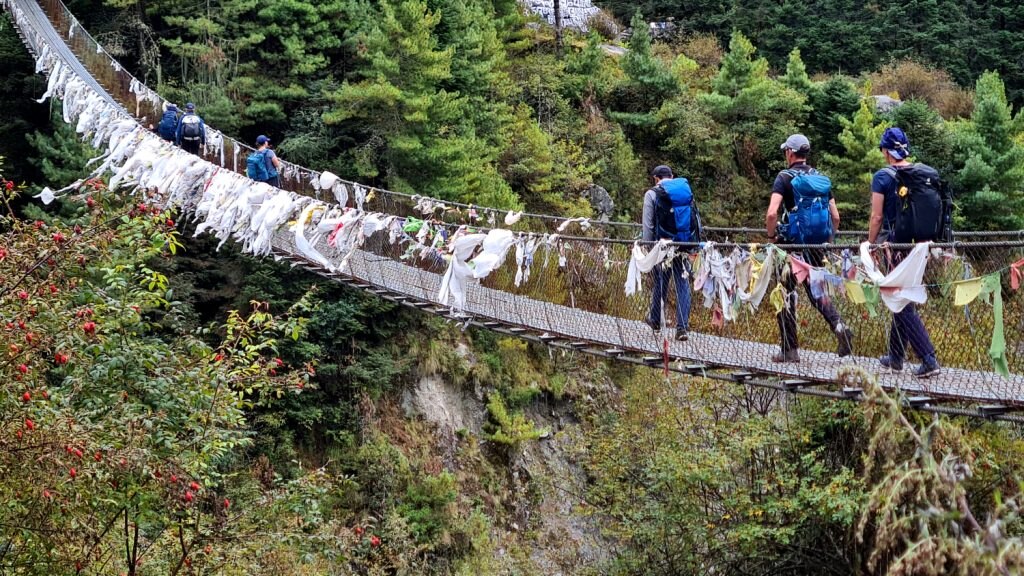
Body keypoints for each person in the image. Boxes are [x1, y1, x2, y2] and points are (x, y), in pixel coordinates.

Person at [765, 134, 852, 363]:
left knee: (784, 294)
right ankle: (839, 325)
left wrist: (772, 236)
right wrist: (827, 241)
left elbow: (772, 213)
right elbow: (835, 217)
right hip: (815, 245)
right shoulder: (819, 178)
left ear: (790, 153)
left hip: (790, 247)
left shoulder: (784, 177)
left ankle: (789, 349)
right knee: (817, 291)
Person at [868, 127, 942, 378]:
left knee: (901, 299)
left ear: (887, 152)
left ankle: (929, 359)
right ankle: (896, 356)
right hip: (919, 246)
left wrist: (870, 245)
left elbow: (877, 216)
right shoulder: (919, 174)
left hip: (895, 246)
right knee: (902, 298)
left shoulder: (882, 177)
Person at [642, 165, 695, 341]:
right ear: (671, 176)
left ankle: (655, 320)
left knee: (660, 281)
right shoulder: (684, 191)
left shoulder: (652, 194)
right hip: (682, 243)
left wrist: (648, 249)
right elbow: (694, 219)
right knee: (682, 283)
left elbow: (648, 225)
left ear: (656, 178)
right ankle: (682, 328)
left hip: (662, 246)